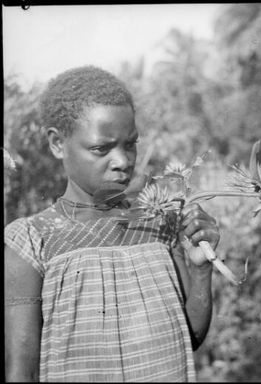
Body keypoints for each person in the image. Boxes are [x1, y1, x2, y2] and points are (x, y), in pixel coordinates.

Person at [4, 66, 220, 382]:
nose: (122, 161)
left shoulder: (158, 224)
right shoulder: (31, 241)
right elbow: (22, 371)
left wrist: (201, 270)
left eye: (130, 144)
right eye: (101, 148)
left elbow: (188, 337)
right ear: (57, 143)